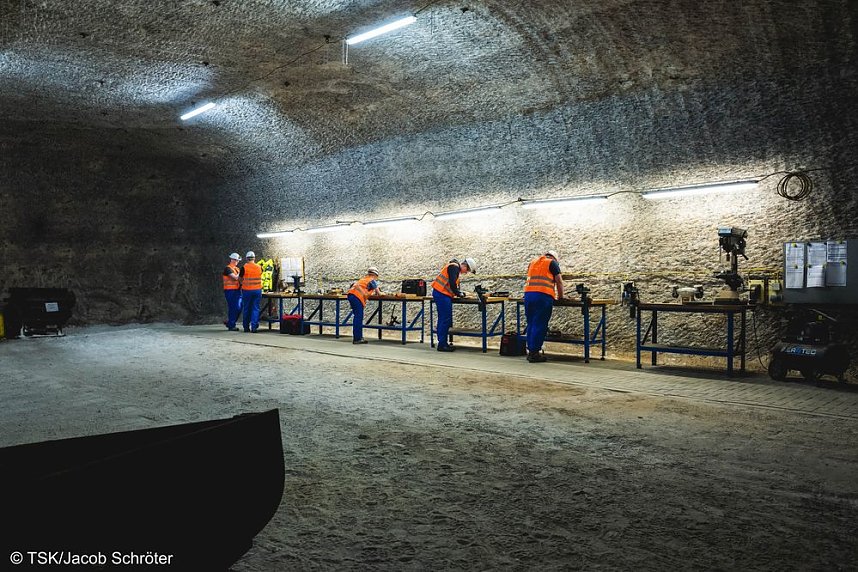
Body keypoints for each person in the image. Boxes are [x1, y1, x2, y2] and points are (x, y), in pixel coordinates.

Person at [523, 250, 564, 362]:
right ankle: (534, 353)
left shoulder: (533, 262)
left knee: (531, 323)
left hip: (528, 296)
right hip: (543, 296)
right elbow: (559, 282)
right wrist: (561, 297)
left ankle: (530, 350)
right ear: (555, 258)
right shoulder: (552, 263)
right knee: (540, 324)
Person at [431, 257, 476, 352]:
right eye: (467, 270)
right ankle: (442, 344)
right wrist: (459, 293)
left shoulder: (453, 268)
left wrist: (457, 292)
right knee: (445, 319)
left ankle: (442, 342)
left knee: (443, 318)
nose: (466, 272)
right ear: (464, 265)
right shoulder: (454, 267)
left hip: (441, 293)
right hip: (442, 294)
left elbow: (452, 285)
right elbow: (452, 284)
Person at [347, 267, 382, 344]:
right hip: (357, 297)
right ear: (375, 275)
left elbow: (356, 286)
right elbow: (380, 294)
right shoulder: (372, 281)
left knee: (357, 316)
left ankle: (358, 337)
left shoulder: (364, 279)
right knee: (358, 317)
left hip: (351, 295)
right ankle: (357, 338)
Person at [240, 251, 263, 333]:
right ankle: (254, 327)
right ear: (254, 258)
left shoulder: (244, 267)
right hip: (257, 290)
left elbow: (240, 279)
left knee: (246, 308)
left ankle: (246, 327)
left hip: (246, 290)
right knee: (255, 308)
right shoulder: (259, 267)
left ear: (246, 258)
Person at [222, 252, 242, 331]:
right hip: (229, 291)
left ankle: (230, 322)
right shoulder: (228, 269)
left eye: (238, 260)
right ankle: (231, 325)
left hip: (237, 290)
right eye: (236, 260)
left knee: (239, 307)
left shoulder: (237, 269)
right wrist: (241, 273)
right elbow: (235, 278)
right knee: (233, 307)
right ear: (232, 259)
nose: (237, 262)